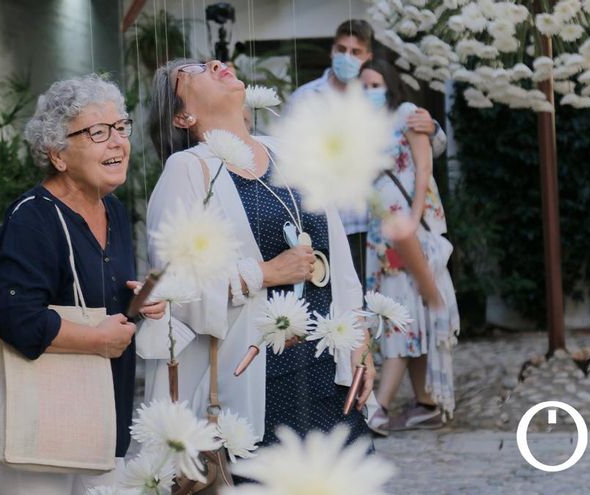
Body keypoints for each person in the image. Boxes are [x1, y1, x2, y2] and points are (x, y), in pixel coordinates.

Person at [141, 58, 374, 448]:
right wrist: (264, 273)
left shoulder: (287, 152)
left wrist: (359, 342)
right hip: (257, 382)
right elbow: (175, 288)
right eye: (195, 71)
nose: (215, 64)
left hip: (324, 371)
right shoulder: (187, 170)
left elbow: (339, 263)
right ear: (183, 117)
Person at [0, 74, 166, 495]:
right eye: (97, 132)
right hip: (36, 422)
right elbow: (15, 316)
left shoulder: (111, 209)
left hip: (97, 415)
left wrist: (136, 303)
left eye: (120, 127)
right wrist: (97, 339)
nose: (116, 142)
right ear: (58, 155)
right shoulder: (33, 216)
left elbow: (91, 298)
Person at [291, 19, 446, 289]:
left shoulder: (378, 97)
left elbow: (421, 152)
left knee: (382, 307)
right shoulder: (305, 98)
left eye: (356, 52)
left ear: (368, 57)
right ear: (331, 50)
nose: (346, 57)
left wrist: (432, 129)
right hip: (329, 222)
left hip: (377, 224)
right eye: (341, 49)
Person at [359, 58, 459, 436]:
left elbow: (423, 168)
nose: (369, 91)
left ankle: (379, 407)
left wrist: (414, 222)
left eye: (375, 83)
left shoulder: (405, 114)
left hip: (406, 230)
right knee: (407, 314)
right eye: (364, 85)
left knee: (397, 315)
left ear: (389, 85)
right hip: (380, 233)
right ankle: (426, 403)